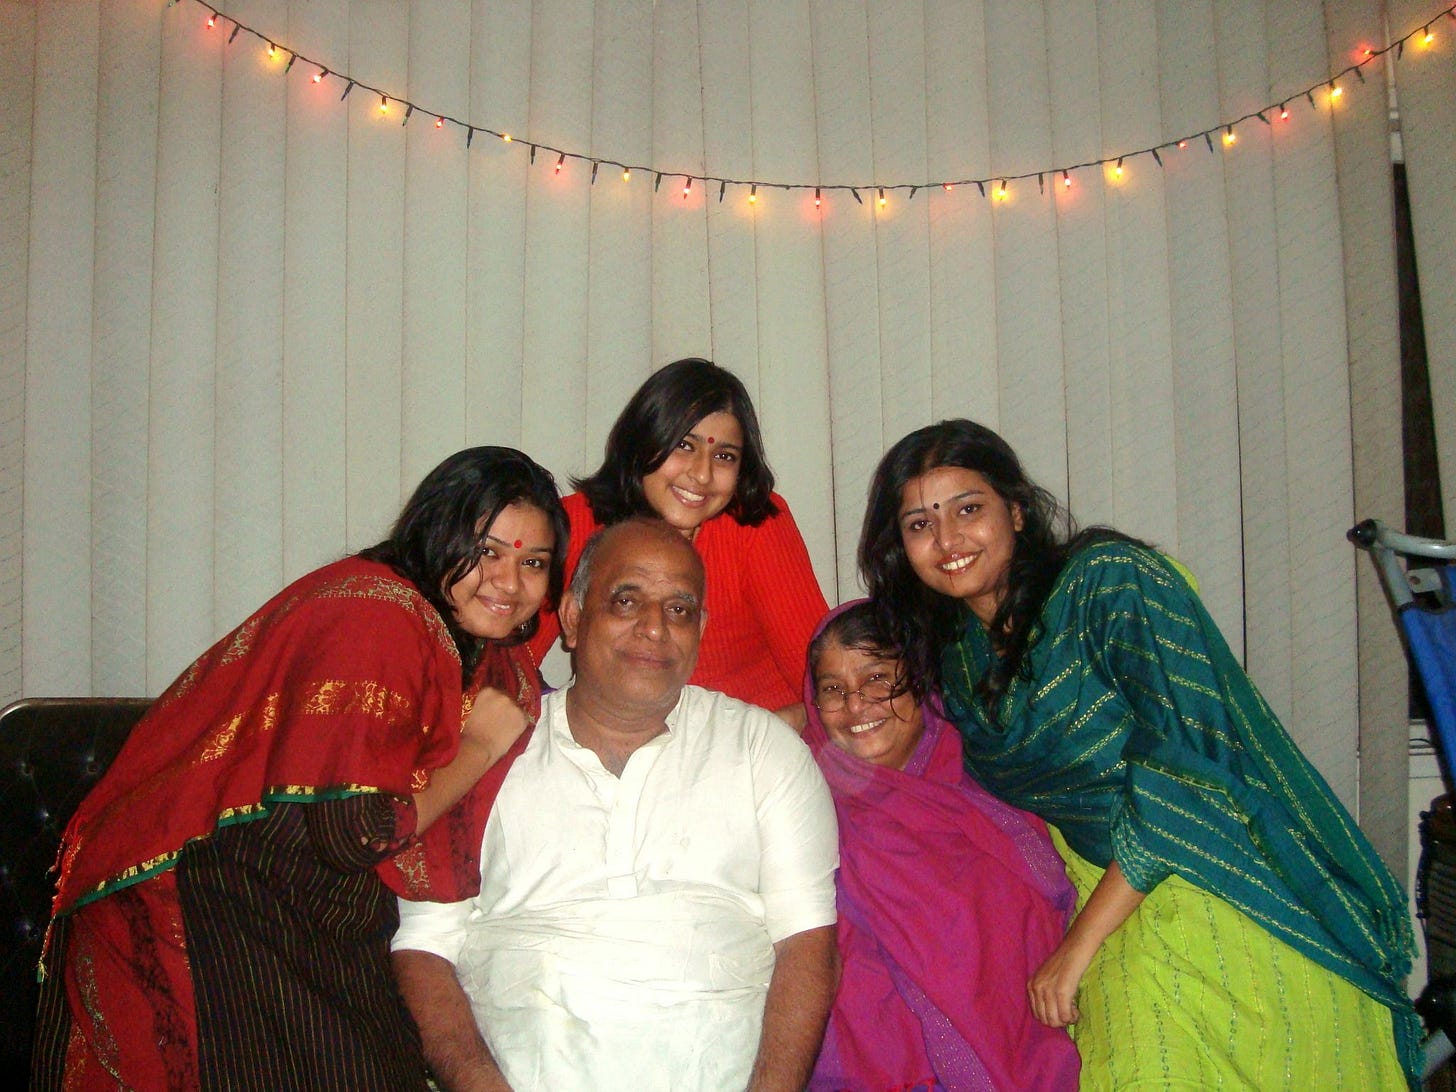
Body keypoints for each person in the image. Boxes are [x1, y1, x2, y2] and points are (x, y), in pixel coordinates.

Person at [858, 419, 1421, 1091]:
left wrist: (1078, 945)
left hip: (1218, 866)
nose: (948, 541)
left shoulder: (1107, 583)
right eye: (920, 524)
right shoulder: (953, 657)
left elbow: (1188, 766)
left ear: (1016, 510)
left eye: (968, 509)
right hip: (1101, 890)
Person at [32, 447, 569, 1091]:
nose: (508, 582)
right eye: (486, 552)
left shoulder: (470, 645)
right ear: (437, 533)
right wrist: (478, 745)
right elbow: (358, 832)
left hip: (309, 908)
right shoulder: (377, 618)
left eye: (532, 563)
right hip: (207, 904)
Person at [393, 518, 839, 1092]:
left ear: (701, 630)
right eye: (626, 601)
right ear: (573, 618)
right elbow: (425, 947)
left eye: (679, 610)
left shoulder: (763, 749)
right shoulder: (488, 752)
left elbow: (807, 945)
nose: (654, 628)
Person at [803, 600, 1080, 1092]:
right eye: (832, 689)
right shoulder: (800, 806)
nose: (855, 706)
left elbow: (1036, 929)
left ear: (921, 679)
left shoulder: (988, 790)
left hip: (1017, 1059)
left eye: (877, 679)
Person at [528, 357, 827, 721]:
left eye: (724, 456)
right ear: (643, 441)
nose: (701, 475)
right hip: (618, 740)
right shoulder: (575, 523)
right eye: (684, 446)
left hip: (753, 736)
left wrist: (761, 737)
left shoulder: (755, 524)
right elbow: (511, 665)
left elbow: (827, 682)